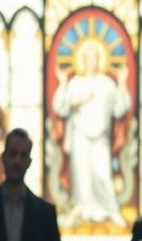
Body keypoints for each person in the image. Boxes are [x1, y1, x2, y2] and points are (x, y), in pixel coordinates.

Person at [52, 41, 131, 228]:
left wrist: (121, 84)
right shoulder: (75, 83)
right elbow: (60, 108)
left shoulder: (107, 84)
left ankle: (111, 210)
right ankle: (82, 209)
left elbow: (119, 109)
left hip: (100, 136)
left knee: (102, 172)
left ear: (100, 60)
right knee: (82, 174)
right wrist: (70, 94)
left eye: (94, 57)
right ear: (83, 60)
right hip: (80, 134)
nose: (91, 61)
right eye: (87, 58)